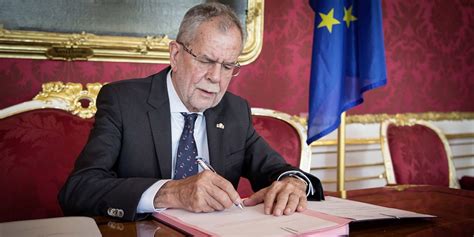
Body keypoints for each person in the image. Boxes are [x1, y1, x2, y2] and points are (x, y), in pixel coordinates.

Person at [59, 2, 324, 221]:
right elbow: (78, 190)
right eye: (206, 60)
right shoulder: (122, 101)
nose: (216, 78)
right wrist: (172, 192)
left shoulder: (234, 111)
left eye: (228, 66)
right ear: (175, 55)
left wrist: (293, 182)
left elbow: (277, 169)